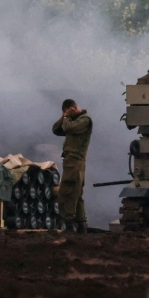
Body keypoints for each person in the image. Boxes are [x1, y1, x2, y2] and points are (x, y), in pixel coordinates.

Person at [52, 99, 92, 233]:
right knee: (77, 193)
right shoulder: (73, 120)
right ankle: (82, 226)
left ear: (72, 109)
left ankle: (69, 225)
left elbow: (68, 127)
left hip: (75, 162)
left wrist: (67, 117)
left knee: (66, 193)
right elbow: (56, 130)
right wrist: (64, 116)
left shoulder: (84, 120)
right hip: (72, 162)